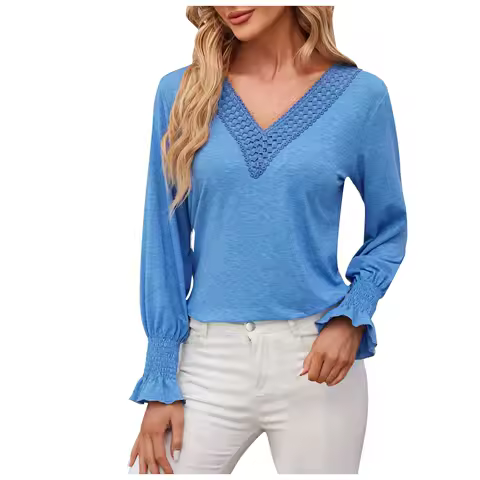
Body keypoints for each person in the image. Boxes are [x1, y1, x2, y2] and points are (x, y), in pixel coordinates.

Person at [127, 5, 407, 475]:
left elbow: (389, 229)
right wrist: (160, 377)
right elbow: (164, 239)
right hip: (205, 360)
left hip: (316, 360)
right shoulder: (180, 92)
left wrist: (351, 317)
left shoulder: (362, 97)